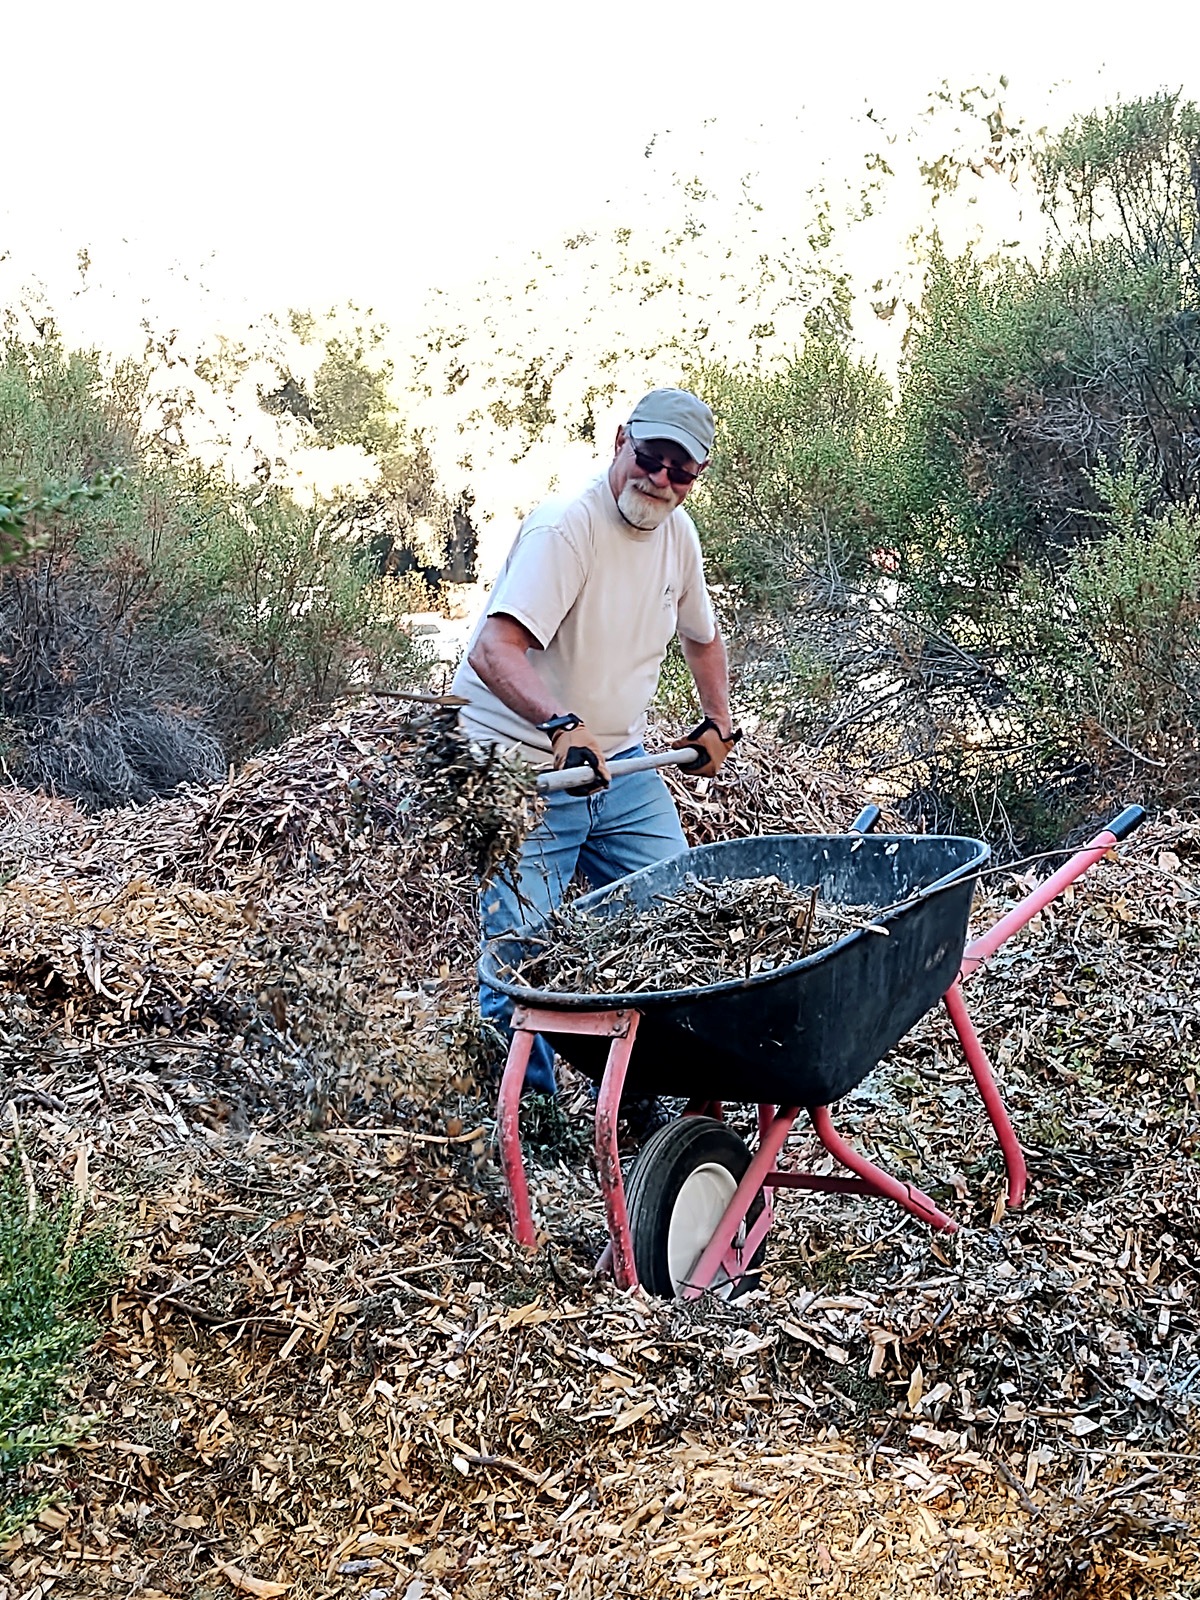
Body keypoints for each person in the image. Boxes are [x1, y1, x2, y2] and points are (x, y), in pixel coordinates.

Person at [451, 386, 740, 1126]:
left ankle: (640, 1092)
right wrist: (559, 723)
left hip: (619, 765)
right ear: (621, 442)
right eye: (653, 459)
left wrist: (717, 722)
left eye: (684, 472)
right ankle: (529, 1116)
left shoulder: (678, 536)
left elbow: (702, 637)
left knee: (677, 912)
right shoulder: (566, 529)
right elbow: (495, 648)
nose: (663, 482)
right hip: (522, 767)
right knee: (523, 947)